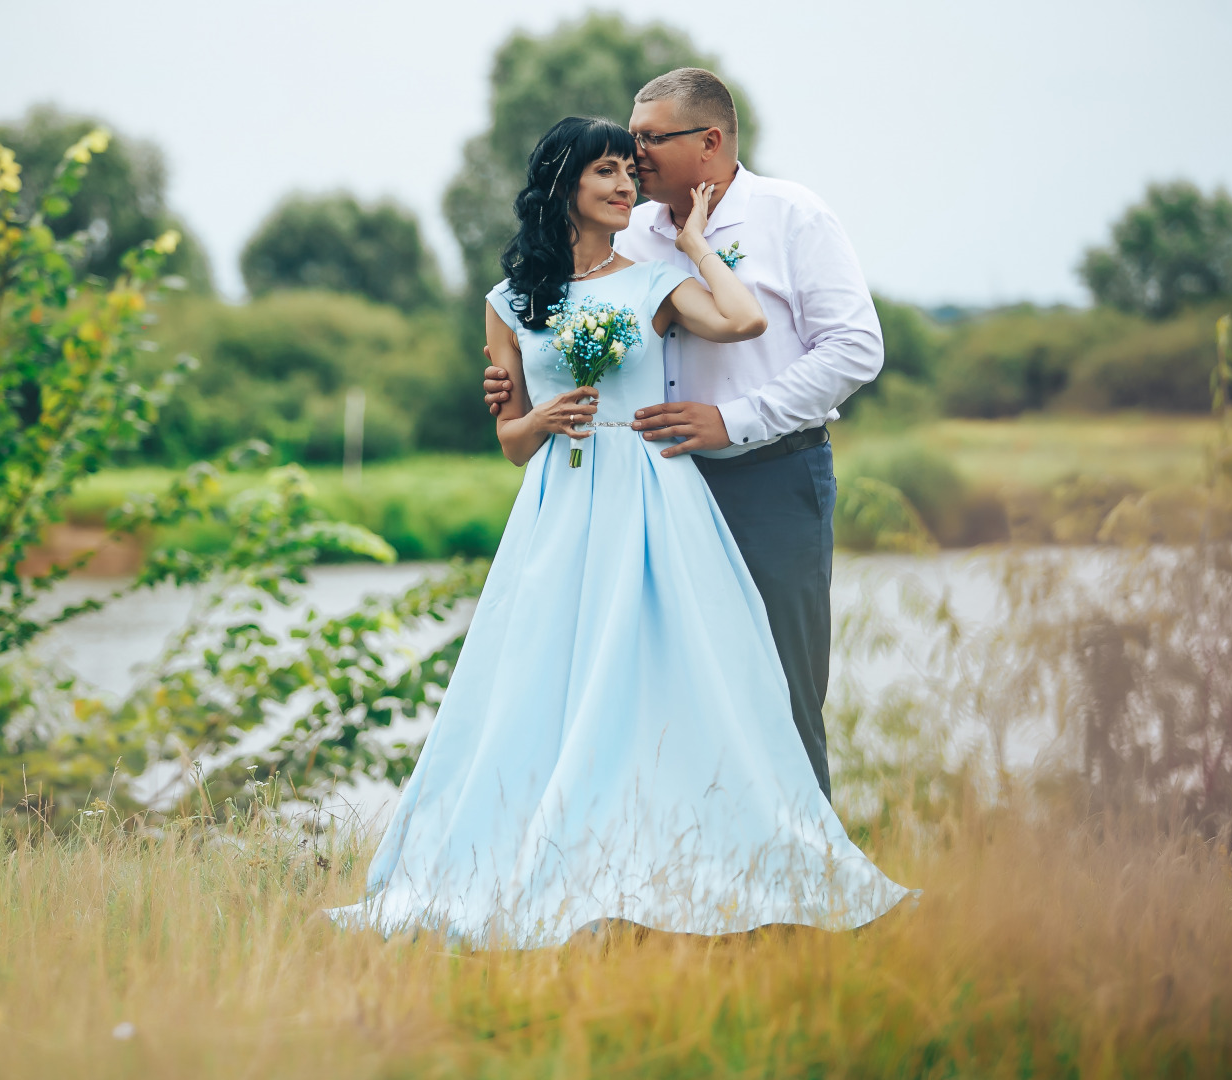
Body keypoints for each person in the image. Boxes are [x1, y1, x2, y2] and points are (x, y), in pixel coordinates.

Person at [329, 117, 910, 946]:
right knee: (545, 679)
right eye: (606, 172)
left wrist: (699, 243)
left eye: (628, 173)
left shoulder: (653, 280)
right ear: (563, 186)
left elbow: (743, 322)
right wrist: (541, 416)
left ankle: (724, 865)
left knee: (683, 677)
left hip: (653, 492)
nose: (626, 185)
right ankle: (551, 861)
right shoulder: (507, 303)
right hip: (559, 507)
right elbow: (509, 445)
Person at [483, 68, 884, 800]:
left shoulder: (791, 215)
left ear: (709, 141)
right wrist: (524, 389)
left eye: (646, 141)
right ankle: (679, 880)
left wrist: (731, 420)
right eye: (624, 146)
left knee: (776, 684)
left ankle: (796, 889)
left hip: (766, 476)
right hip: (648, 489)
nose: (632, 160)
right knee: (656, 689)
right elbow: (572, 322)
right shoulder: (626, 227)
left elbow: (854, 349)